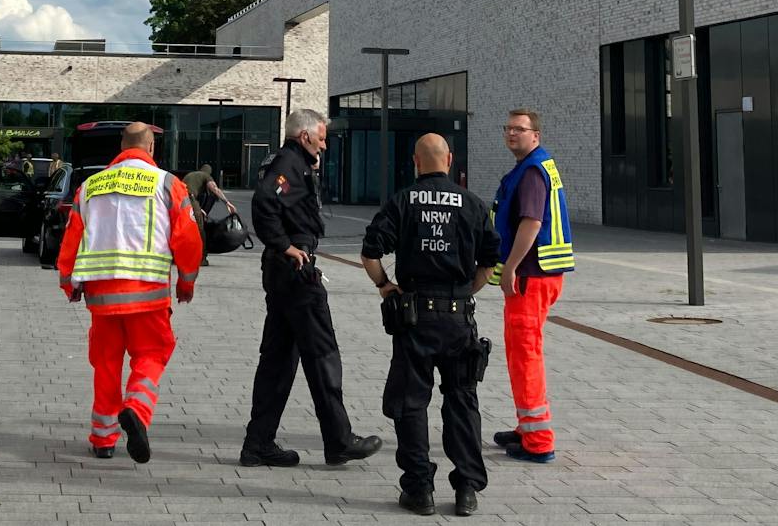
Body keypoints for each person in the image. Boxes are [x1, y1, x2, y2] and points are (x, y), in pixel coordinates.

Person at [360, 134, 498, 517]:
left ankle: (419, 489)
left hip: (414, 317)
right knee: (462, 401)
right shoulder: (472, 204)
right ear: (449, 160)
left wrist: (386, 287)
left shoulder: (402, 201)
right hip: (458, 318)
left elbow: (370, 253)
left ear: (416, 161)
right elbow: (489, 263)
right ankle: (467, 487)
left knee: (411, 403)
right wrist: (465, 290)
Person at [241, 108, 382, 469]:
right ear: (304, 136)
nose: (324, 143)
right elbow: (265, 202)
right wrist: (284, 245)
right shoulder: (289, 164)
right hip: (296, 272)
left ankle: (258, 444)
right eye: (320, 137)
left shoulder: (294, 163)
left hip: (282, 274)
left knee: (278, 361)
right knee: (322, 355)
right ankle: (338, 440)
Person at [56, 122, 204, 461]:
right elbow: (188, 238)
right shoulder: (168, 183)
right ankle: (136, 408)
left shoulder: (91, 185)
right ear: (151, 148)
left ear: (121, 146)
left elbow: (72, 238)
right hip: (148, 294)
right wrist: (186, 281)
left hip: (102, 296)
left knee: (106, 364)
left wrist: (70, 282)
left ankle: (103, 438)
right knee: (152, 354)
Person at [490, 109, 574, 463]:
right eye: (508, 128)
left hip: (530, 276)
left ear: (535, 135)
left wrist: (509, 268)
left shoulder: (531, 174)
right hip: (540, 275)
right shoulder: (536, 166)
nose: (512, 134)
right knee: (521, 353)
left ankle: (538, 441)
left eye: (519, 129)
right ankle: (527, 426)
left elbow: (531, 223)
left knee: (525, 356)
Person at [185, 162, 239, 265]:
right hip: (190, 199)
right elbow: (215, 189)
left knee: (183, 228)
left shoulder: (192, 175)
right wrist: (227, 203)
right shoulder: (206, 176)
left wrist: (199, 209)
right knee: (200, 230)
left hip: (179, 199)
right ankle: (202, 258)